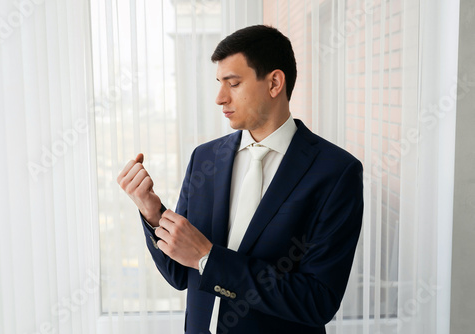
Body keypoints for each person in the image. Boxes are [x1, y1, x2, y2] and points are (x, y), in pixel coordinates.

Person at [117, 25, 363, 334]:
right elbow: (181, 274)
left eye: (233, 83)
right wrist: (153, 213)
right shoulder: (205, 158)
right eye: (219, 83)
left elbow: (317, 301)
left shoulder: (335, 172)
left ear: (274, 82)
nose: (220, 98)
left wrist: (208, 258)